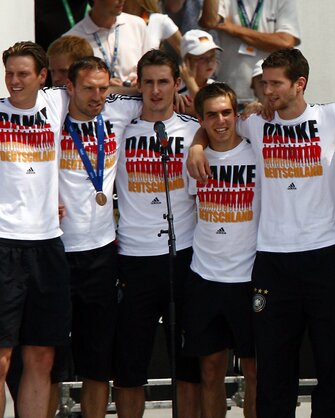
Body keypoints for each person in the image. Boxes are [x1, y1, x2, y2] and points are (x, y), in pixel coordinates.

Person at [186, 47, 335, 417]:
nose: (267, 91)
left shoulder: (333, 116)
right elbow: (214, 125)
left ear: (300, 84)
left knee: (333, 362)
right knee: (274, 367)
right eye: (264, 84)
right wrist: (197, 148)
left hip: (324, 255)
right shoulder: (255, 122)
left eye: (275, 84)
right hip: (271, 260)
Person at [112, 49, 202, 418]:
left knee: (187, 366)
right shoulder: (120, 124)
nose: (155, 90)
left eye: (163, 81)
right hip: (133, 257)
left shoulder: (195, 129)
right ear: (138, 84)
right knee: (129, 368)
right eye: (147, 82)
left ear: (177, 84)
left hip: (184, 255)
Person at [59, 55, 142, 418]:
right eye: (88, 88)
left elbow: (160, 95)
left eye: (102, 88)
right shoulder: (51, 111)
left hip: (102, 254)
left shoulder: (118, 110)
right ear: (69, 87)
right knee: (49, 362)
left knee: (98, 365)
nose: (96, 97)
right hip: (56, 252)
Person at [0, 40, 71, 418]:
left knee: (41, 357)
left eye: (23, 74)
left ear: (42, 77)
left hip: (47, 244)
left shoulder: (57, 103)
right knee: (1, 361)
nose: (14, 81)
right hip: (3, 244)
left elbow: (107, 88)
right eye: (9, 73)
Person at [183, 82, 258, 418]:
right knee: (210, 373)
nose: (221, 120)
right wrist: (198, 148)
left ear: (236, 113)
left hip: (250, 277)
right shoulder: (193, 158)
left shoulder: (257, 150)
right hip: (205, 277)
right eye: (212, 115)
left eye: (227, 112)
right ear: (201, 119)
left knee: (255, 373)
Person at [199, 0, 300, 103]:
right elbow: (209, 21)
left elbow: (286, 42)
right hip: (229, 95)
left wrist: (234, 29)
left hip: (268, 96)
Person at [65, 0, 149, 86]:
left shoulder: (137, 25)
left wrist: (141, 77)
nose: (122, 0)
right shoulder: (71, 38)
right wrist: (101, 84)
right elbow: (69, 82)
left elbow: (151, 66)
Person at [179, 29, 222, 98]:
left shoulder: (219, 88)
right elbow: (203, 108)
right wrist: (191, 83)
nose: (209, 62)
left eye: (212, 56)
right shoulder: (175, 91)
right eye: (201, 58)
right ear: (186, 62)